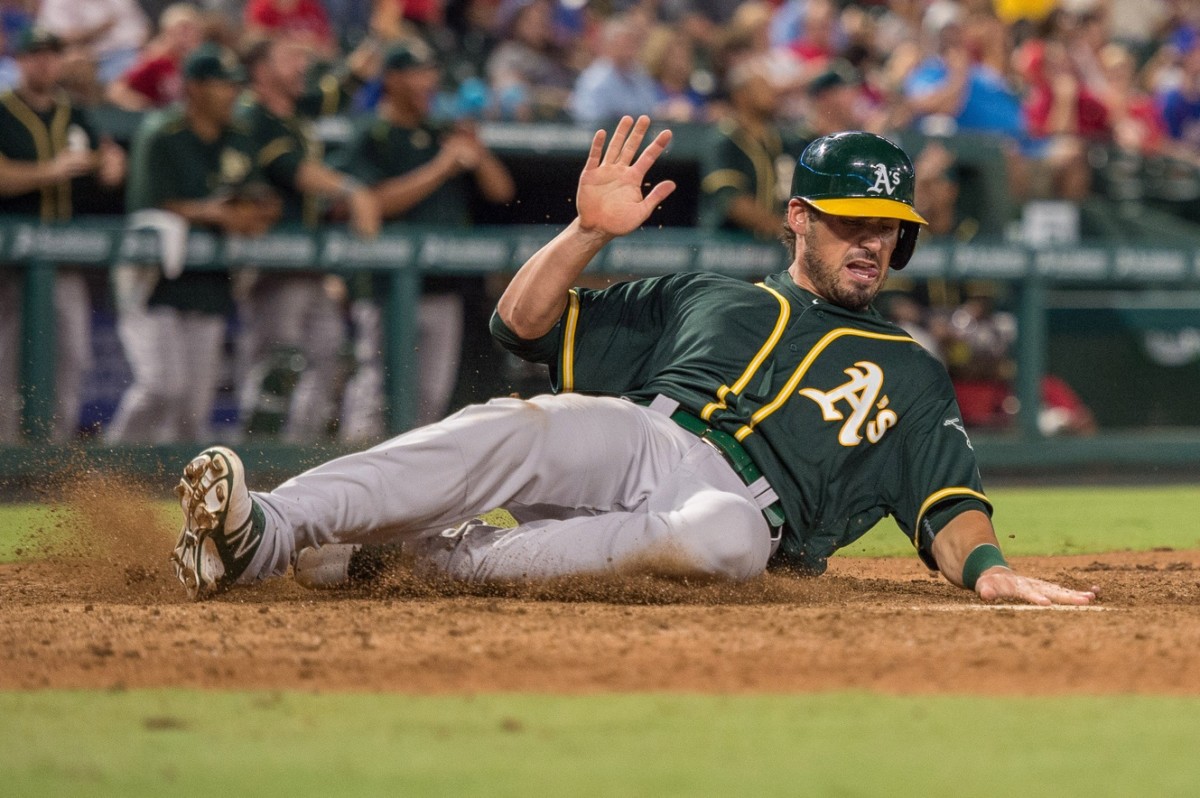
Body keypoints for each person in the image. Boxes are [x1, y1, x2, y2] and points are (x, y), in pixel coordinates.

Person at [171, 114, 1096, 609]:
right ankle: (266, 532)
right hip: (643, 433)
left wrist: (990, 570)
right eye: (854, 222)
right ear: (800, 218)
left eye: (890, 232)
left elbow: (949, 507)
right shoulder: (709, 295)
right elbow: (520, 326)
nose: (874, 246)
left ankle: (435, 565)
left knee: (724, 536)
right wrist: (581, 232)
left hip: (741, 514)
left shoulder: (910, 367)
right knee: (524, 427)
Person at [332, 39, 515, 434]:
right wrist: (441, 167)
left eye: (430, 74)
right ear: (393, 79)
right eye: (417, 73)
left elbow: (500, 192)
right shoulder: (373, 133)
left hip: (443, 285)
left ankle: (404, 490)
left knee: (430, 397)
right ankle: (348, 481)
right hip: (386, 287)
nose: (427, 82)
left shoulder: (439, 131)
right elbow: (368, 202)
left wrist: (477, 153)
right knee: (375, 391)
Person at [106, 43, 280, 443]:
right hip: (154, 281)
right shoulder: (162, 133)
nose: (233, 93)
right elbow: (153, 202)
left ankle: (178, 496)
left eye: (236, 85)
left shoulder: (239, 135)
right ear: (196, 88)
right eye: (222, 84)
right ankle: (106, 471)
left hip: (211, 284)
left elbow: (258, 196)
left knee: (192, 413)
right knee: (161, 386)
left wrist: (254, 211)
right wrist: (217, 213)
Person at [236, 34, 381, 442]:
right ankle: (254, 459)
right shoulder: (251, 112)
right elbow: (292, 170)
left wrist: (362, 62)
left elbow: (329, 97)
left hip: (309, 262)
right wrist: (353, 190)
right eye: (290, 55)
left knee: (327, 353)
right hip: (270, 259)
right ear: (261, 68)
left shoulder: (292, 109)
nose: (303, 65)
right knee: (274, 366)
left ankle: (296, 460)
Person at [0, 27, 125, 443]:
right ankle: (7, 449)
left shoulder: (74, 112)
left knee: (71, 355)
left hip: (64, 252)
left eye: (52, 54)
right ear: (20, 60)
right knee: (9, 358)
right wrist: (50, 170)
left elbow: (102, 163)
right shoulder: (4, 109)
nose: (45, 62)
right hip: (11, 256)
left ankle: (51, 453)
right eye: (35, 54)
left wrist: (110, 168)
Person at [698, 56, 805, 238]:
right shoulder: (724, 139)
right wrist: (784, 230)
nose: (772, 92)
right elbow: (731, 201)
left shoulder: (784, 140)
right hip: (727, 246)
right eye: (762, 86)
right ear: (741, 95)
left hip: (776, 246)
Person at [106, 3, 205, 111]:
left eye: (192, 30)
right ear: (167, 34)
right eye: (181, 31)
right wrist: (148, 109)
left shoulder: (203, 62)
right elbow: (116, 91)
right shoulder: (157, 62)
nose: (186, 37)